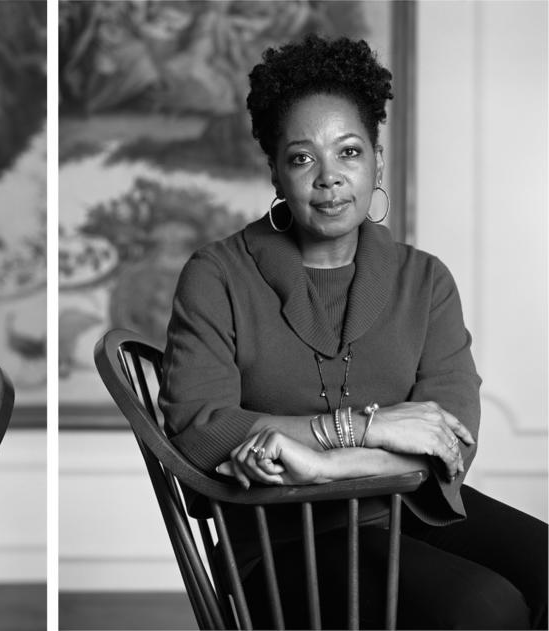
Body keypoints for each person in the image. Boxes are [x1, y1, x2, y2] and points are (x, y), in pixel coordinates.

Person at [159, 35, 547, 630]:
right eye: (303, 157)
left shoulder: (425, 279)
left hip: (409, 508)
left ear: (377, 162)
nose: (329, 178)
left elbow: (451, 441)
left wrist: (320, 463)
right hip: (278, 533)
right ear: (275, 171)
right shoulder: (217, 276)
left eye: (348, 152)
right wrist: (367, 427)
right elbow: (201, 433)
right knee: (482, 606)